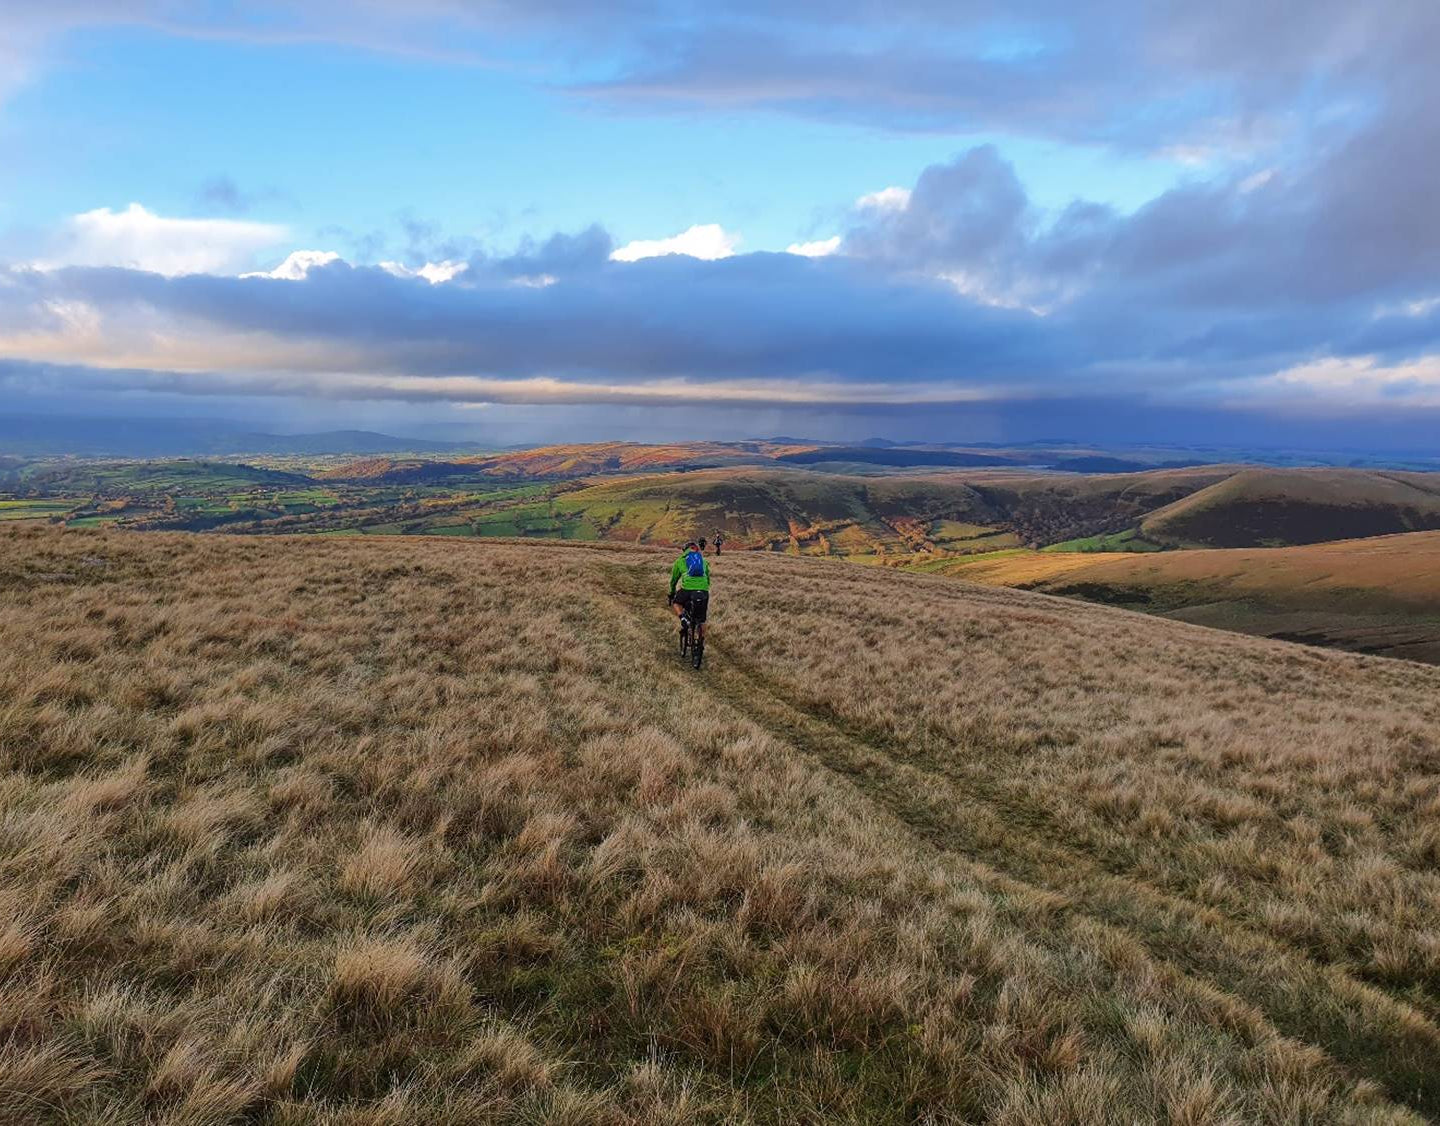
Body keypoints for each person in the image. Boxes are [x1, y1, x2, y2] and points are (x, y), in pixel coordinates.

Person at [668, 539, 711, 644]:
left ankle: (683, 618)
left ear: (684, 550)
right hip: (703, 590)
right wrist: (704, 588)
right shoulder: (703, 561)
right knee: (701, 620)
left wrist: (672, 592)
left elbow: (674, 580)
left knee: (677, 602)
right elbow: (708, 578)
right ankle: (701, 643)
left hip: (688, 589)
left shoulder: (680, 560)